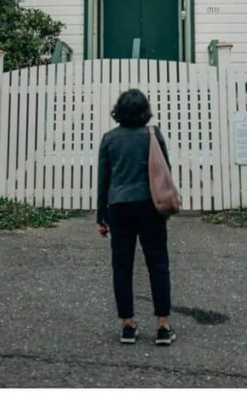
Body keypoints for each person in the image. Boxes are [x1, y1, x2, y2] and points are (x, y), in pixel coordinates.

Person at [96, 89, 176, 346]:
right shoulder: (153, 135)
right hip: (150, 205)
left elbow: (104, 180)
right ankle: (163, 326)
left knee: (122, 266)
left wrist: (101, 216)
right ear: (145, 110)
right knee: (158, 264)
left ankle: (127, 325)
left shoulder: (109, 139)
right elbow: (165, 171)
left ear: (118, 110)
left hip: (119, 207)